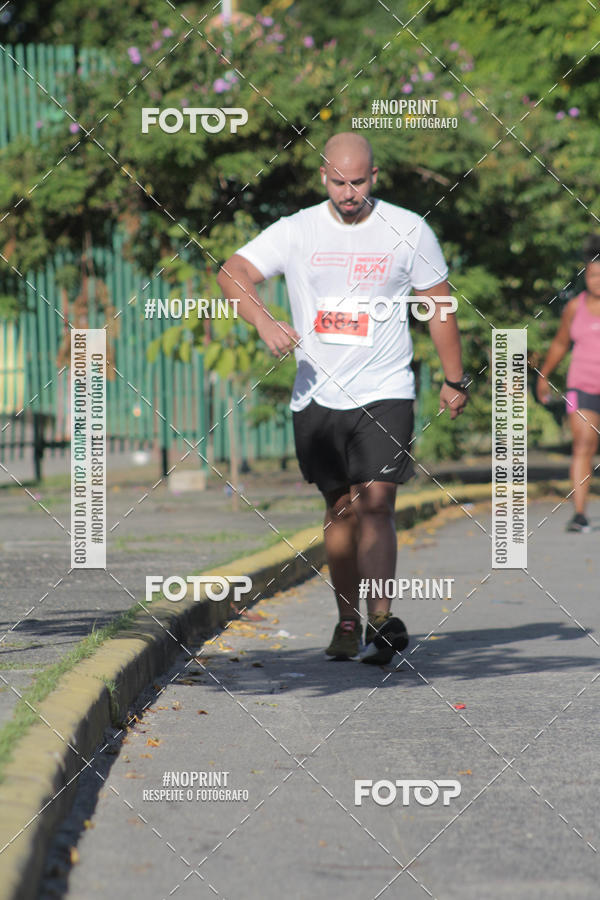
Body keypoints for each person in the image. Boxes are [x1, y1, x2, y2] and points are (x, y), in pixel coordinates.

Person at [217, 132, 468, 664]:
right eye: (338, 182)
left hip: (386, 389)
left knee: (377, 502)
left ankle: (381, 620)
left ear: (375, 177)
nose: (348, 192)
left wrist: (453, 377)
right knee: (341, 509)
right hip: (317, 393)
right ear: (322, 178)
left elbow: (439, 306)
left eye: (358, 181)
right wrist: (264, 321)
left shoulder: (407, 229)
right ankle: (347, 621)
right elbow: (232, 272)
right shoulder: (298, 230)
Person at [537, 235, 600, 533]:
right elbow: (561, 343)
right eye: (592, 275)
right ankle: (579, 514)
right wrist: (544, 374)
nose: (597, 281)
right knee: (583, 444)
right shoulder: (575, 307)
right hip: (580, 388)